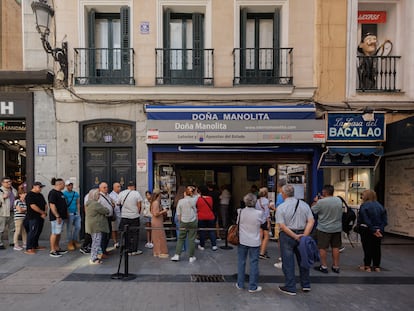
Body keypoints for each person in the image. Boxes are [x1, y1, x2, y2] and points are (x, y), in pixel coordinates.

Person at [276, 184, 315, 295]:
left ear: (283, 194)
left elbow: (282, 226)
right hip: (303, 232)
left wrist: (294, 236)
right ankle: (306, 284)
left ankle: (290, 286)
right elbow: (311, 221)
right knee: (303, 259)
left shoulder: (281, 207)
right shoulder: (304, 205)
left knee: (288, 262)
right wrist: (304, 235)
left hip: (287, 235)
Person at [311, 184, 343, 273]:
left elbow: (313, 210)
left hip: (324, 228)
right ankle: (336, 266)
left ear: (325, 192)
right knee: (336, 247)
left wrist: (315, 201)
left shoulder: (321, 202)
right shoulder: (338, 200)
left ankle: (324, 266)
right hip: (336, 228)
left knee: (322, 247)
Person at [236, 192, 263, 293]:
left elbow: (237, 223)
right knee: (254, 263)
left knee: (241, 262)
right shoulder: (259, 213)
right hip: (254, 241)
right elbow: (263, 223)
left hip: (242, 240)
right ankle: (253, 286)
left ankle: (240, 283)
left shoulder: (240, 211)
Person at [358, 189, 388, 272]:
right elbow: (385, 221)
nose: (362, 197)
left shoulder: (364, 206)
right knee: (377, 248)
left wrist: (373, 230)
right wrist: (379, 230)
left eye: (363, 195)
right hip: (378, 230)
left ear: (367, 196)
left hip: (367, 230)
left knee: (367, 247)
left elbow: (365, 219)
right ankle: (377, 266)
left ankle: (367, 266)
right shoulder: (380, 206)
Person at [171, 185, 198, 263]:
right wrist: (194, 190)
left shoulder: (180, 201)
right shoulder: (194, 200)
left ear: (185, 193)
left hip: (183, 222)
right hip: (193, 222)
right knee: (191, 239)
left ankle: (177, 255)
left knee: (181, 239)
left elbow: (178, 215)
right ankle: (191, 257)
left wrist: (181, 222)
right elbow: (197, 195)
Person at [118, 181, 143, 256]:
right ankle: (134, 250)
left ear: (127, 186)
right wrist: (137, 213)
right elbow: (139, 205)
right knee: (135, 233)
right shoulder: (136, 193)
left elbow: (118, 203)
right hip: (134, 216)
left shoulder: (122, 193)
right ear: (133, 187)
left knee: (126, 233)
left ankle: (127, 249)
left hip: (125, 216)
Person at [85, 189, 110, 264]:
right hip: (96, 226)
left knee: (95, 241)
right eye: (98, 195)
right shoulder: (95, 204)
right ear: (95, 195)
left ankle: (96, 256)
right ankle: (93, 259)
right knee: (96, 242)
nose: (99, 196)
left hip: (92, 225)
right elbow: (106, 211)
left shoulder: (89, 203)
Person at [24, 181, 48, 255]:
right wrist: (42, 212)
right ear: (34, 186)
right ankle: (29, 248)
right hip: (32, 217)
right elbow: (33, 206)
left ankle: (35, 245)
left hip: (40, 217)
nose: (41, 189)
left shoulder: (40, 195)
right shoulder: (30, 195)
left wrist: (44, 213)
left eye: (41, 187)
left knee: (38, 231)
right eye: (39, 187)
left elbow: (45, 204)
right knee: (32, 232)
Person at [48, 178, 69, 258]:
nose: (64, 186)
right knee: (55, 232)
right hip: (56, 217)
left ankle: (57, 247)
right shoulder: (53, 193)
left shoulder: (61, 193)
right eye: (63, 184)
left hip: (62, 217)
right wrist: (57, 216)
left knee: (58, 233)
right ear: (59, 184)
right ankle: (53, 250)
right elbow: (52, 205)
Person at [196, 185, 217, 251]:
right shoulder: (210, 198)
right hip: (210, 216)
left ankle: (202, 245)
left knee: (202, 231)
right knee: (212, 231)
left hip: (201, 217)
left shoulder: (198, 199)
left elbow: (197, 207)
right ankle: (214, 245)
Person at [150, 190, 169, 258]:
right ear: (158, 195)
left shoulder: (154, 202)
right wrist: (164, 211)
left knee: (157, 236)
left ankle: (157, 251)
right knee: (160, 236)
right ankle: (161, 252)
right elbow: (156, 213)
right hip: (157, 221)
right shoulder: (156, 203)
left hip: (156, 221)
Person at [98, 182, 115, 256]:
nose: (106, 189)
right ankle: (102, 251)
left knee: (108, 234)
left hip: (109, 218)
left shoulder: (108, 195)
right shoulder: (98, 196)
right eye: (104, 187)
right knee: (103, 235)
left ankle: (104, 249)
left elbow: (112, 202)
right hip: (103, 218)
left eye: (107, 187)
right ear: (100, 188)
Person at [0, 177, 18, 249]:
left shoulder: (13, 190)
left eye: (9, 181)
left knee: (12, 228)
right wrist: (2, 198)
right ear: (2, 183)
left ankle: (12, 242)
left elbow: (16, 198)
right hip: (2, 213)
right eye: (6, 182)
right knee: (1, 229)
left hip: (12, 212)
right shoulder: (0, 191)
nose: (9, 183)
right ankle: (0, 243)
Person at [63, 180, 81, 251]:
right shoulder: (64, 194)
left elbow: (78, 203)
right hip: (69, 213)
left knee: (78, 227)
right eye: (69, 185)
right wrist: (66, 213)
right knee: (69, 229)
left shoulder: (76, 193)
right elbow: (64, 204)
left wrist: (78, 211)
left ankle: (75, 240)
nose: (70, 186)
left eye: (71, 185)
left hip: (76, 213)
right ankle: (70, 243)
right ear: (66, 186)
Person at [256, 187, 271, 259]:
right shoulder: (266, 201)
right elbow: (267, 212)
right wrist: (268, 222)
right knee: (266, 236)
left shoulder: (257, 201)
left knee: (261, 236)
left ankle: (261, 251)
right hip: (264, 220)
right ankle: (262, 253)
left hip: (259, 220)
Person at [109, 182, 122, 248]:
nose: (119, 188)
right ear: (114, 187)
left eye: (120, 186)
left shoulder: (122, 194)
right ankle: (115, 241)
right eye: (118, 186)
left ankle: (121, 240)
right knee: (114, 229)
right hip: (115, 213)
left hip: (122, 213)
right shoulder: (111, 195)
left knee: (120, 228)